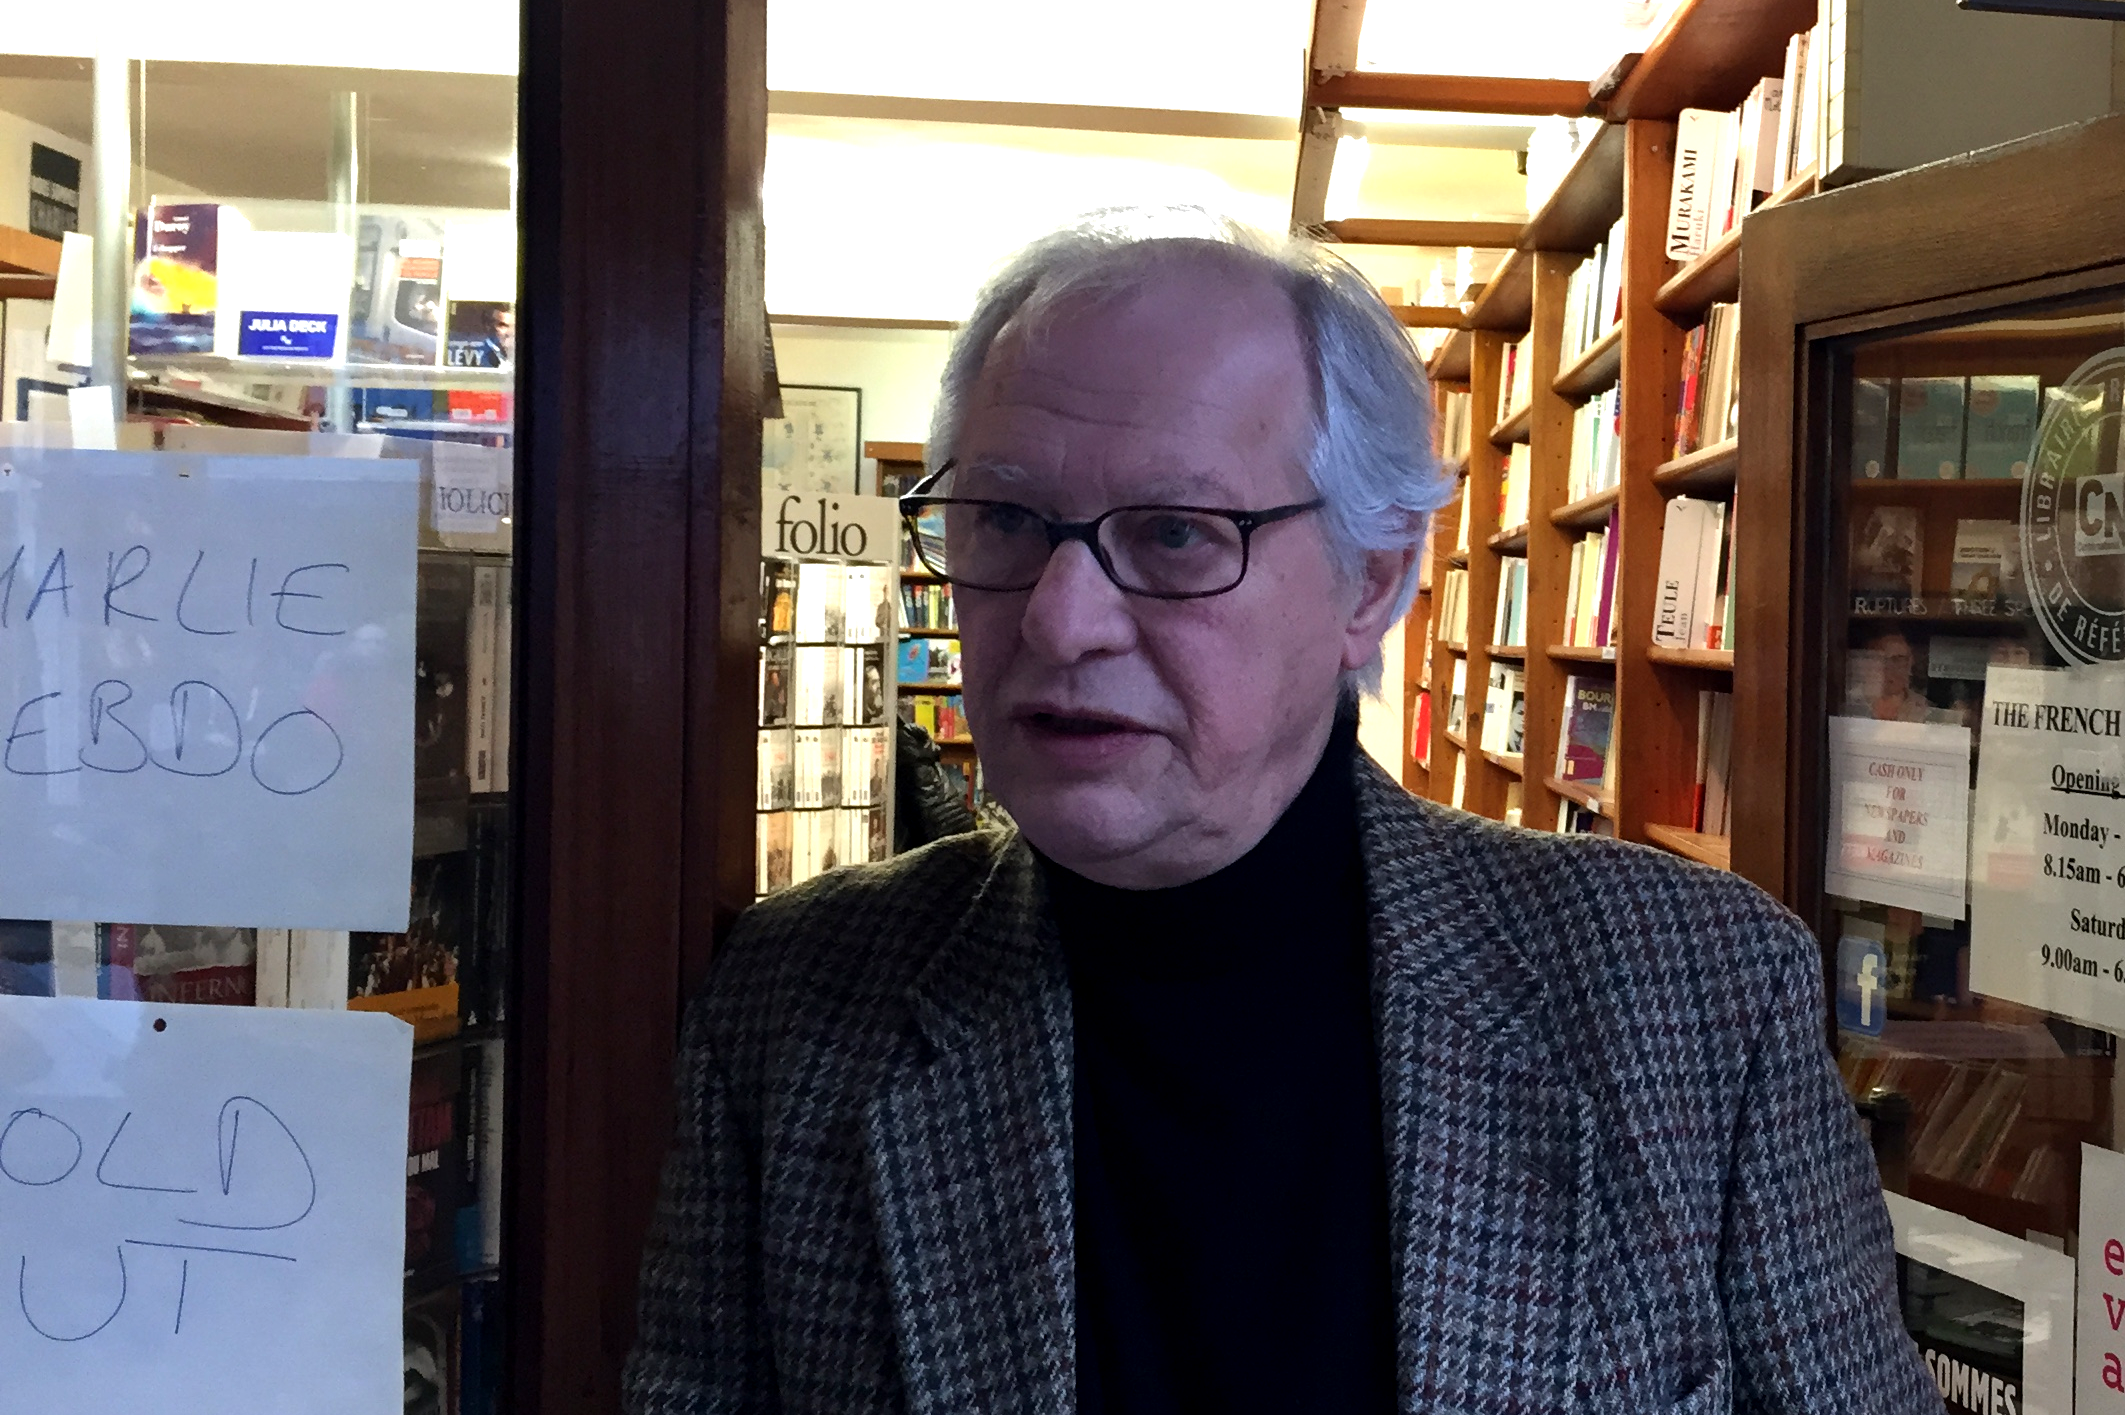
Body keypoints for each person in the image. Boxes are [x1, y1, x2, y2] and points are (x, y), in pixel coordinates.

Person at [624, 216, 1936, 1414]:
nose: (1059, 619)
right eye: (1007, 520)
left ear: (1371, 580)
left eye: (1179, 536)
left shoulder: (1694, 996)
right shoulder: (794, 1005)